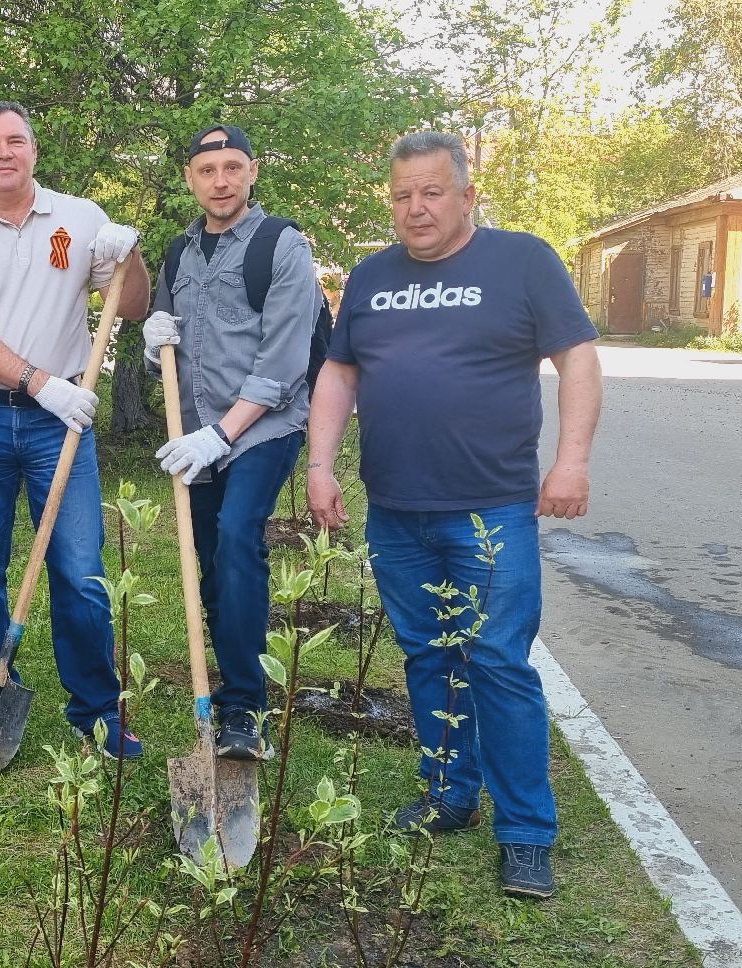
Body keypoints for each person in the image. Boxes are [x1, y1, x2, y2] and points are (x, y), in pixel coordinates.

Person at [306, 130, 603, 899]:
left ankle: (526, 833)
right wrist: (318, 465)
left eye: (432, 192)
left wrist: (571, 460)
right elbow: (340, 375)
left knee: (498, 664)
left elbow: (577, 358)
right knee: (428, 658)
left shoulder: (523, 261)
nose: (416, 207)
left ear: (467, 195)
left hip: (490, 513)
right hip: (396, 512)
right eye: (403, 195)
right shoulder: (370, 277)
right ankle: (446, 796)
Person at [0, 101, 151, 759]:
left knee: (80, 571)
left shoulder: (81, 218)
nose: (3, 152)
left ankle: (98, 712)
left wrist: (127, 256)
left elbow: (130, 305)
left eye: (15, 140)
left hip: (64, 428)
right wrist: (41, 383)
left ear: (34, 149)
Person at [142, 124, 318, 761]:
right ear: (190, 179)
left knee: (241, 534)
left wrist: (222, 433)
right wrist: (152, 338)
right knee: (208, 557)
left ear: (252, 173)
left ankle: (245, 705)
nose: (220, 180)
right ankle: (221, 682)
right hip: (196, 430)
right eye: (207, 169)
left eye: (232, 167)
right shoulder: (178, 253)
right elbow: (169, 347)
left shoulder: (283, 245)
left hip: (261, 427)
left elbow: (283, 362)